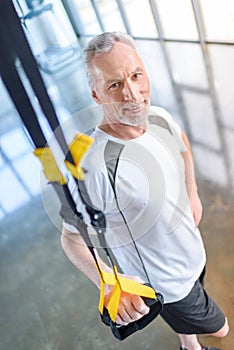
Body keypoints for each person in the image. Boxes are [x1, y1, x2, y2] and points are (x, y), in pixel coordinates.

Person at [61, 32, 229, 350]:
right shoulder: (92, 166)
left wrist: (191, 192)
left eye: (136, 75)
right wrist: (107, 282)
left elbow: (183, 148)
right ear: (96, 95)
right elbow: (70, 238)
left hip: (192, 251)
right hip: (165, 283)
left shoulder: (159, 117)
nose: (133, 93)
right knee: (220, 329)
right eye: (114, 85)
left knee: (192, 316)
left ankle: (189, 346)